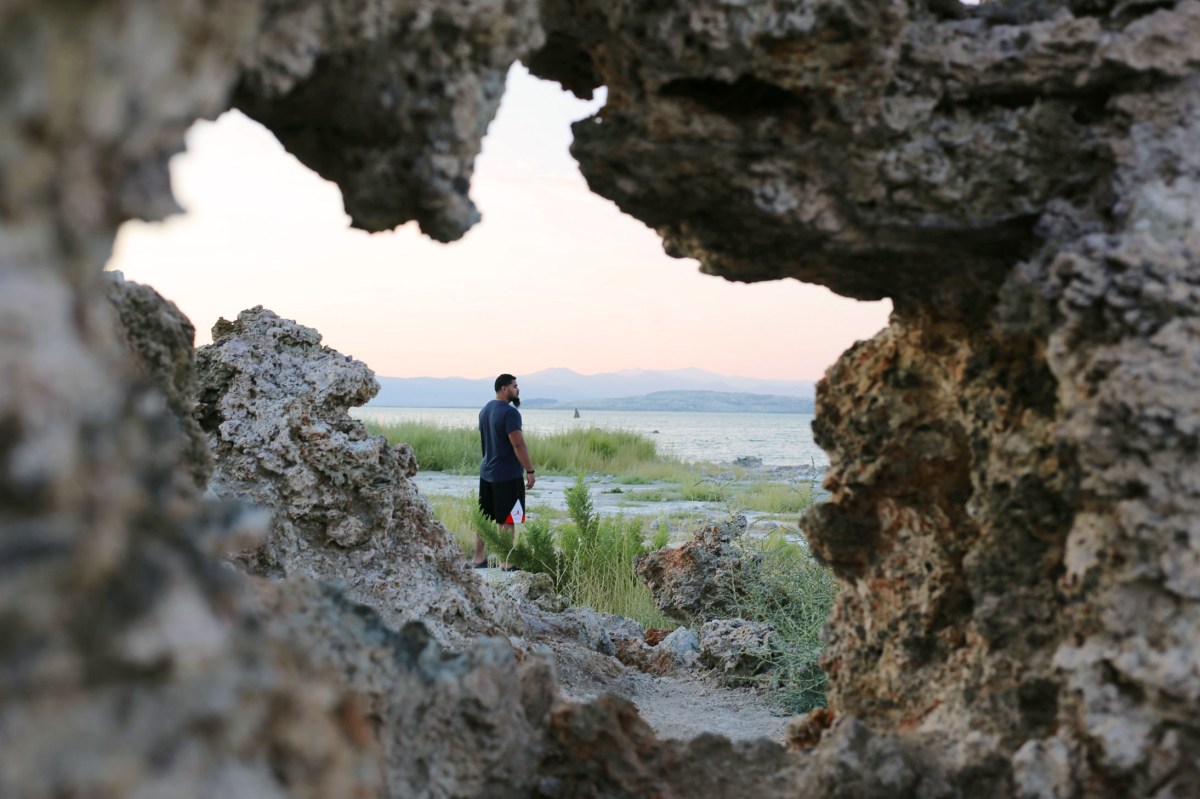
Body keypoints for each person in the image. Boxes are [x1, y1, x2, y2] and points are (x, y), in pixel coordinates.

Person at [474, 373, 536, 570]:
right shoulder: (510, 413)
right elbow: (518, 444)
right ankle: (506, 562)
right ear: (504, 388)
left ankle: (478, 558)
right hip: (507, 474)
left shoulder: (485, 410)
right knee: (508, 518)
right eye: (514, 386)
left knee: (485, 517)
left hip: (487, 472)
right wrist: (530, 470)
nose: (518, 390)